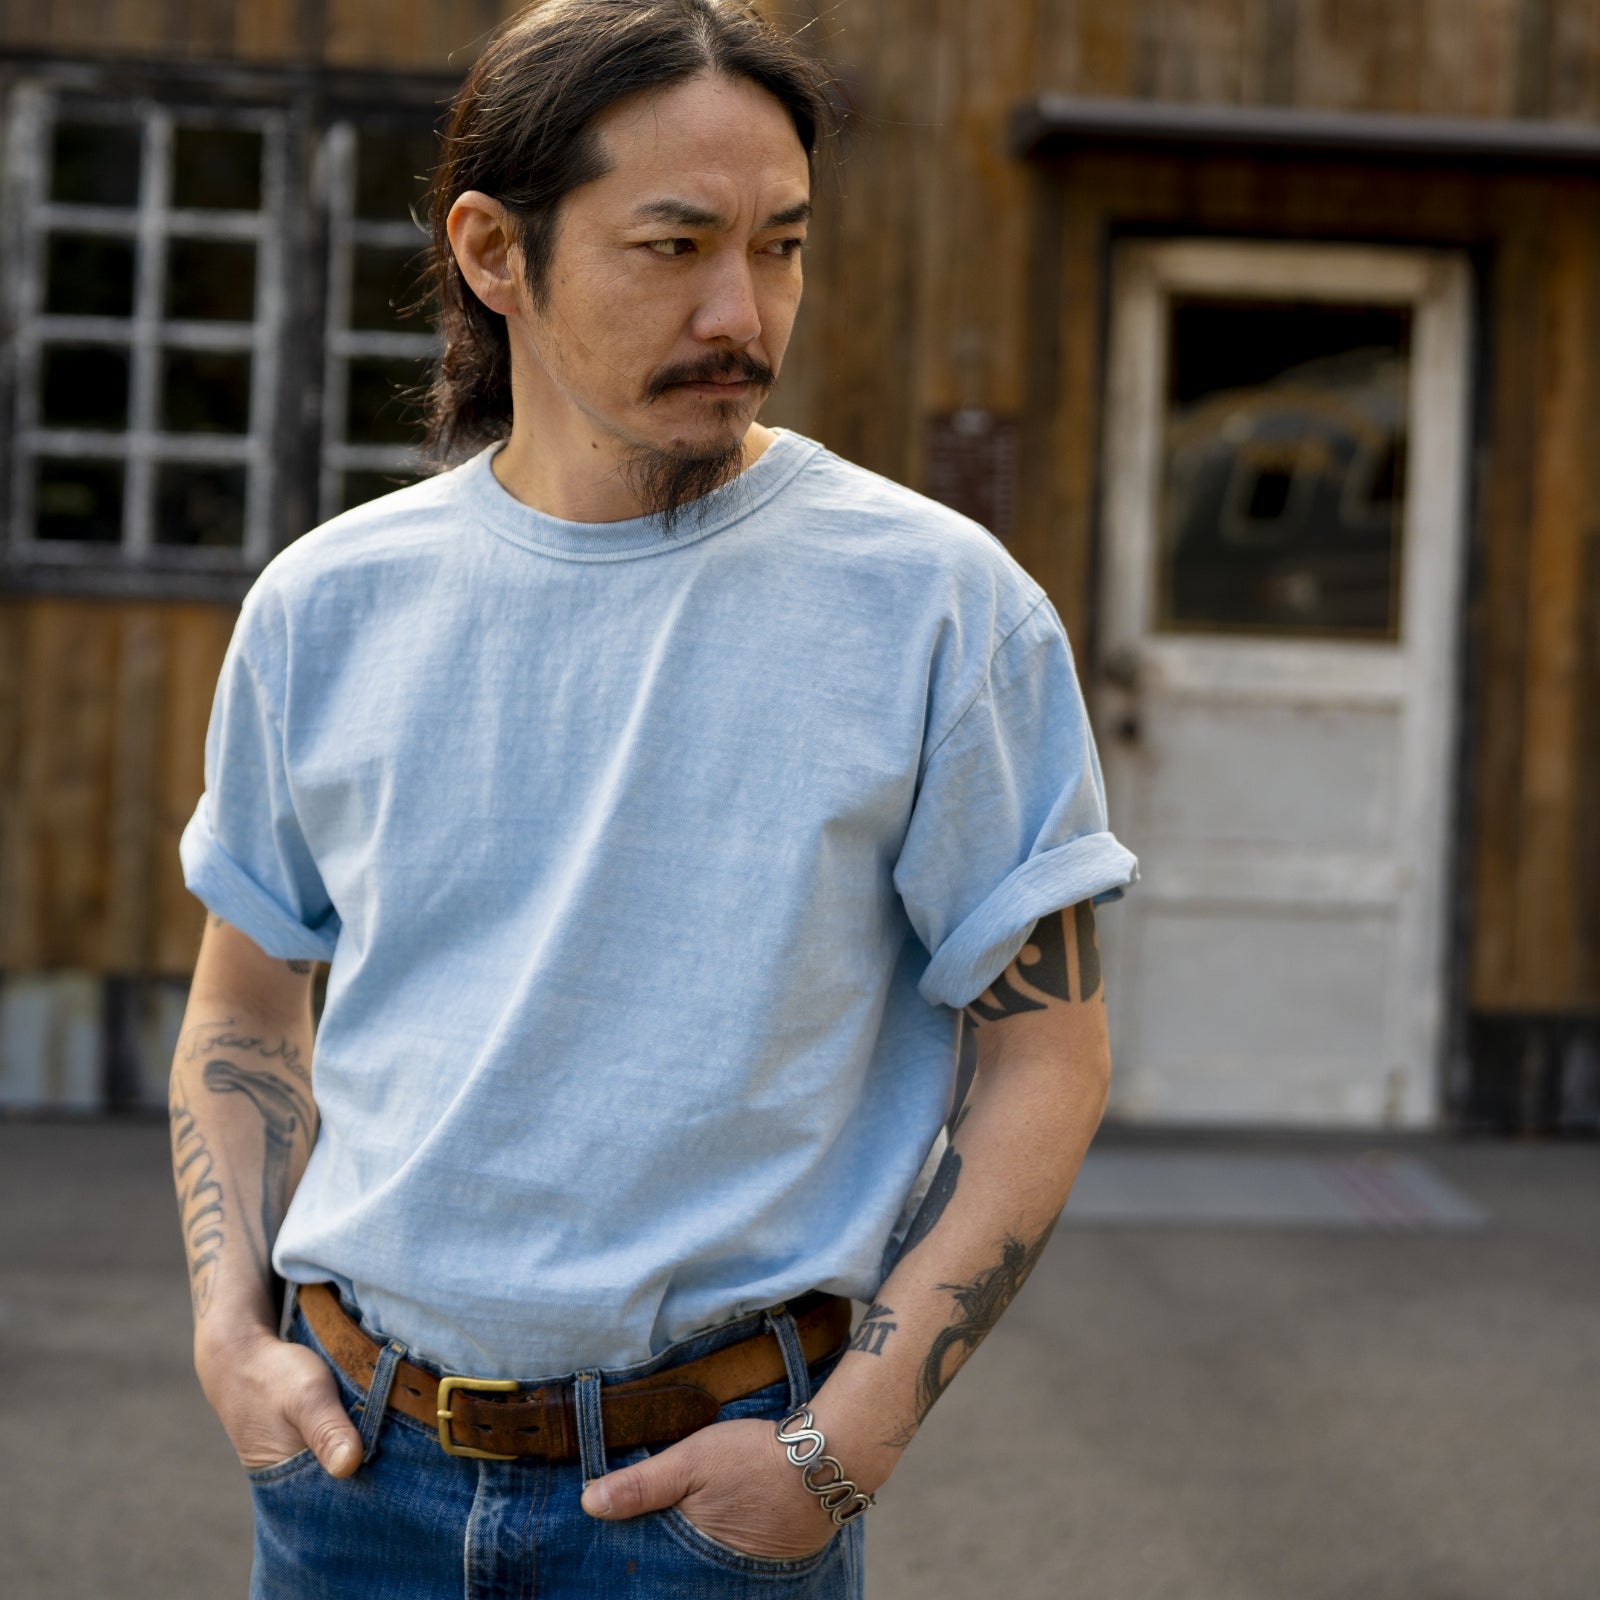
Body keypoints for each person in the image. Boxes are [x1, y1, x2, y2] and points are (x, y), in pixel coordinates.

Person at [169, 2, 1137, 1595]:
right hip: (351, 1480)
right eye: (674, 245)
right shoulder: (327, 605)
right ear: (495, 251)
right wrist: (227, 1337)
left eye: (781, 246)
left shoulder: (935, 606)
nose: (741, 312)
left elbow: (1047, 1052)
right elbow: (246, 1007)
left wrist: (844, 1446)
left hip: (710, 1508)